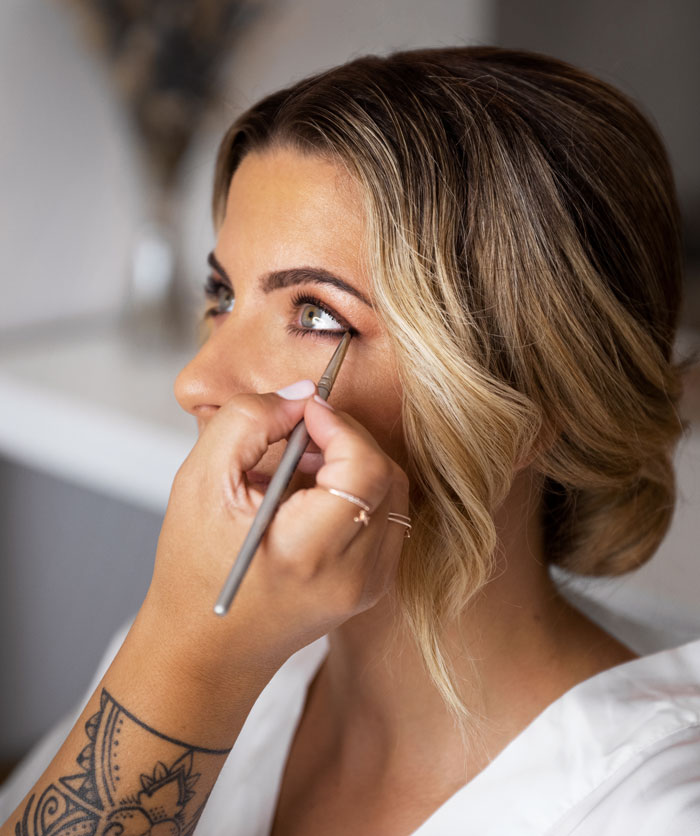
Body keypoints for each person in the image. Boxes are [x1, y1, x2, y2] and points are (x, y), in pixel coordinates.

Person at [1, 44, 699, 835]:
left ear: (539, 403)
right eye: (221, 294)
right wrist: (184, 659)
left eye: (317, 314)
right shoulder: (196, 637)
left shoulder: (651, 811)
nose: (197, 382)